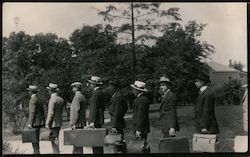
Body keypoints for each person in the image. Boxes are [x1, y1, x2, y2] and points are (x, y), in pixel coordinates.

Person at [86, 76, 105, 154]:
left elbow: (94, 108)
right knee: (98, 143)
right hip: (99, 120)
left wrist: (92, 121)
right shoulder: (101, 92)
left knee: (95, 143)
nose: (90, 85)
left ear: (94, 84)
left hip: (95, 121)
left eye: (91, 83)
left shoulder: (95, 93)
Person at [45, 83, 64, 154]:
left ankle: (56, 152)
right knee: (56, 138)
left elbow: (51, 112)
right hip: (59, 121)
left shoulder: (52, 99)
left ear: (50, 91)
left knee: (53, 139)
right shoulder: (61, 99)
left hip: (53, 122)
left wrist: (47, 122)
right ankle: (56, 151)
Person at [27, 85, 45, 154]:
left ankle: (36, 153)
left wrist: (30, 123)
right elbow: (42, 111)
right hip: (39, 122)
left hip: (34, 123)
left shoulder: (32, 100)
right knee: (36, 140)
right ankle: (37, 152)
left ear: (31, 92)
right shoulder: (38, 99)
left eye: (29, 91)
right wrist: (43, 120)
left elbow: (32, 112)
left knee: (34, 140)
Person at [70, 82, 87, 154]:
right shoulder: (82, 96)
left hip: (77, 124)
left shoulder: (77, 97)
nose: (72, 89)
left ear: (76, 88)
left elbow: (76, 110)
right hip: (81, 122)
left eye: (73, 87)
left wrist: (73, 123)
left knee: (76, 145)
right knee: (79, 144)